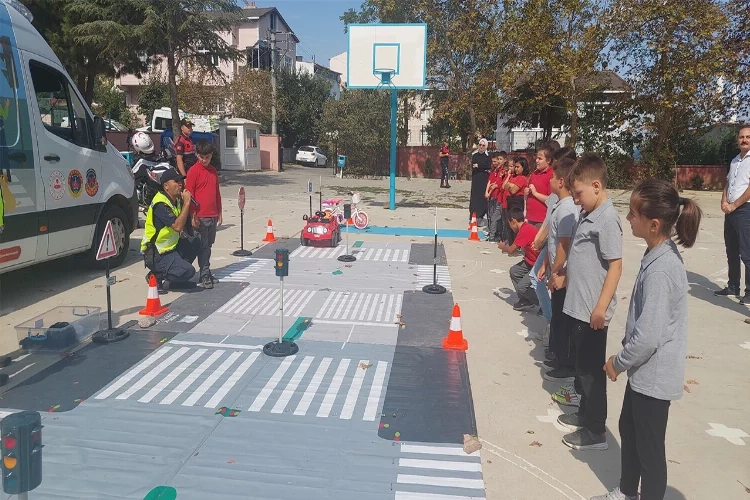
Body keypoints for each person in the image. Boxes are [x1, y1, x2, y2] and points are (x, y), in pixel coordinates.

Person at [591, 179, 702, 500]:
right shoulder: (657, 253)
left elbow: (648, 336)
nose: (628, 219)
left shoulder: (661, 269)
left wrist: (617, 363)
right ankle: (627, 491)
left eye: (633, 215)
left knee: (650, 451)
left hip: (654, 378)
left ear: (654, 225)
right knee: (629, 430)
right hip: (645, 376)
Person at [554, 153, 623, 451]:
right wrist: (566, 273)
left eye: (579, 194)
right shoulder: (587, 213)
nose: (576, 200)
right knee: (582, 369)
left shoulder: (607, 219)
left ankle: (596, 431)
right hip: (577, 307)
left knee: (592, 373)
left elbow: (616, 266)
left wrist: (600, 307)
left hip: (591, 312)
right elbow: (580, 256)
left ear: (596, 185)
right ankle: (585, 415)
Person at [531, 146, 577, 344]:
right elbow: (550, 219)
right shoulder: (559, 201)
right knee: (538, 279)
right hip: (551, 252)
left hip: (559, 261)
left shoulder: (569, 205)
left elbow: (563, 243)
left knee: (557, 299)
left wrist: (556, 269)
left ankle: (554, 329)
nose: (550, 175)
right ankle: (554, 330)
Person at [542, 157, 579, 388]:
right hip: (557, 270)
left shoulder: (567, 209)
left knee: (562, 321)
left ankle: (565, 363)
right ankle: (558, 355)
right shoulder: (559, 205)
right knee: (557, 317)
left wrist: (556, 272)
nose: (550, 180)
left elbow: (564, 245)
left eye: (553, 177)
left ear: (562, 181)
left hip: (562, 274)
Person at [141, 168, 201, 293]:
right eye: (176, 181)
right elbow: (177, 226)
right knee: (189, 271)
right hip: (157, 254)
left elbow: (187, 227)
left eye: (180, 181)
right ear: (166, 186)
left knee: (195, 240)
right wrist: (187, 204)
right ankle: (156, 275)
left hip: (171, 248)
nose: (180, 184)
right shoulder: (160, 204)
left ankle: (176, 281)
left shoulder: (176, 200)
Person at [715, 125, 750, 303]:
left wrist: (735, 205)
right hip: (730, 210)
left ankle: (749, 292)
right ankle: (733, 286)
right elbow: (728, 183)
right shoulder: (735, 160)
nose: (744, 140)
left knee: (747, 253)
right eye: (741, 137)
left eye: (748, 137)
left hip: (745, 210)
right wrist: (724, 202)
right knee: (731, 250)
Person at [186, 139, 222, 290]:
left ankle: (206, 271)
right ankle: (204, 274)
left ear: (211, 156)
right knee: (202, 246)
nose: (204, 160)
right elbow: (189, 196)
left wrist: (219, 212)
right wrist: (193, 215)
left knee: (208, 245)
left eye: (207, 157)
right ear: (197, 155)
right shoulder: (193, 171)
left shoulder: (213, 171)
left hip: (212, 215)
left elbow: (216, 193)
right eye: (201, 157)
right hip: (199, 216)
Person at [499, 207, 540, 311]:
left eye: (509, 225)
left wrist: (503, 247)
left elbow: (511, 250)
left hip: (538, 264)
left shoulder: (525, 230)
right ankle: (525, 300)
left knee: (522, 286)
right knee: (514, 271)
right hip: (530, 261)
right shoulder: (525, 228)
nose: (511, 228)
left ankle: (545, 304)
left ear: (513, 221)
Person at [525, 143, 556, 226]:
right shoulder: (535, 173)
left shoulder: (551, 175)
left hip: (542, 219)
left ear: (548, 160)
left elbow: (552, 200)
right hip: (530, 217)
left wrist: (535, 194)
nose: (536, 161)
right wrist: (526, 193)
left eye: (540, 159)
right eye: (536, 158)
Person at [502, 157, 529, 247]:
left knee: (515, 224)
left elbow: (513, 190)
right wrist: (510, 183)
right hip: (509, 201)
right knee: (509, 224)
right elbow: (504, 186)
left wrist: (510, 185)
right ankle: (511, 243)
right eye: (515, 167)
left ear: (523, 168)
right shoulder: (514, 177)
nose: (516, 169)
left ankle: (516, 245)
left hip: (516, 202)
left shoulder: (522, 178)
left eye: (518, 167)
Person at [469, 138, 492, 224]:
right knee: (474, 197)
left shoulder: (487, 157)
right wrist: (481, 167)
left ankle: (480, 216)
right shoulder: (475, 156)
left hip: (484, 179)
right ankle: (473, 216)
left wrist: (479, 166)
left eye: (483, 145)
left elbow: (488, 166)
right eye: (480, 145)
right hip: (476, 179)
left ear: (486, 147)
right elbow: (474, 166)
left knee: (482, 198)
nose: (481, 147)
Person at [485, 151, 505, 242]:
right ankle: (492, 234)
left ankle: (495, 236)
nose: (498, 162)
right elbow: (490, 182)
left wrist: (494, 188)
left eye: (500, 159)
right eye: (498, 159)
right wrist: (487, 192)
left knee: (496, 218)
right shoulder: (495, 171)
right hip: (493, 196)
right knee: (491, 215)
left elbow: (499, 184)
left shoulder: (503, 172)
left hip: (499, 197)